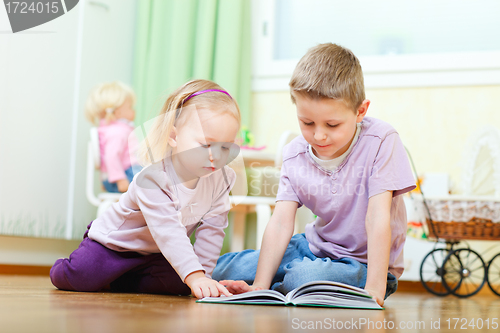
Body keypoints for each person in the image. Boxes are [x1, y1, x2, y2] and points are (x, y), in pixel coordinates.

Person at [213, 43, 416, 306]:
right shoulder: (294, 154)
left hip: (365, 266)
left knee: (304, 277)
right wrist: (259, 287)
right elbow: (280, 223)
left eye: (332, 124)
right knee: (223, 269)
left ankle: (289, 281)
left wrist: (374, 290)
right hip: (311, 247)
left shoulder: (381, 140)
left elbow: (378, 217)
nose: (318, 135)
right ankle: (276, 283)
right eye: (307, 123)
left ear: (360, 111)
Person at [51, 79, 241, 298]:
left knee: (180, 285)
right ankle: (66, 269)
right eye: (206, 145)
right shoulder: (153, 179)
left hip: (155, 253)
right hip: (114, 245)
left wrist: (203, 277)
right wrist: (195, 276)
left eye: (225, 147)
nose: (215, 156)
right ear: (173, 136)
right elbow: (168, 231)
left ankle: (119, 279)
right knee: (82, 276)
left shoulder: (223, 179)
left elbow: (213, 230)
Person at [84, 81, 141, 193]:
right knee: (158, 179)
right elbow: (111, 156)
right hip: (125, 176)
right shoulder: (118, 132)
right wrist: (120, 179)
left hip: (117, 177)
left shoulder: (111, 130)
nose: (134, 111)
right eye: (130, 107)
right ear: (118, 113)